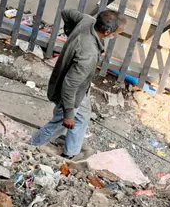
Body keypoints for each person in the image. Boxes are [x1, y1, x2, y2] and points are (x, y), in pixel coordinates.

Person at [31, 9, 123, 159]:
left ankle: (71, 153)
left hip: (80, 89)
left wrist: (70, 34)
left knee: (83, 116)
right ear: (107, 32)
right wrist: (68, 114)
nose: (116, 35)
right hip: (70, 94)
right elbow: (69, 85)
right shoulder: (89, 53)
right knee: (60, 123)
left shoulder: (87, 21)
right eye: (117, 32)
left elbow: (66, 12)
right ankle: (33, 143)